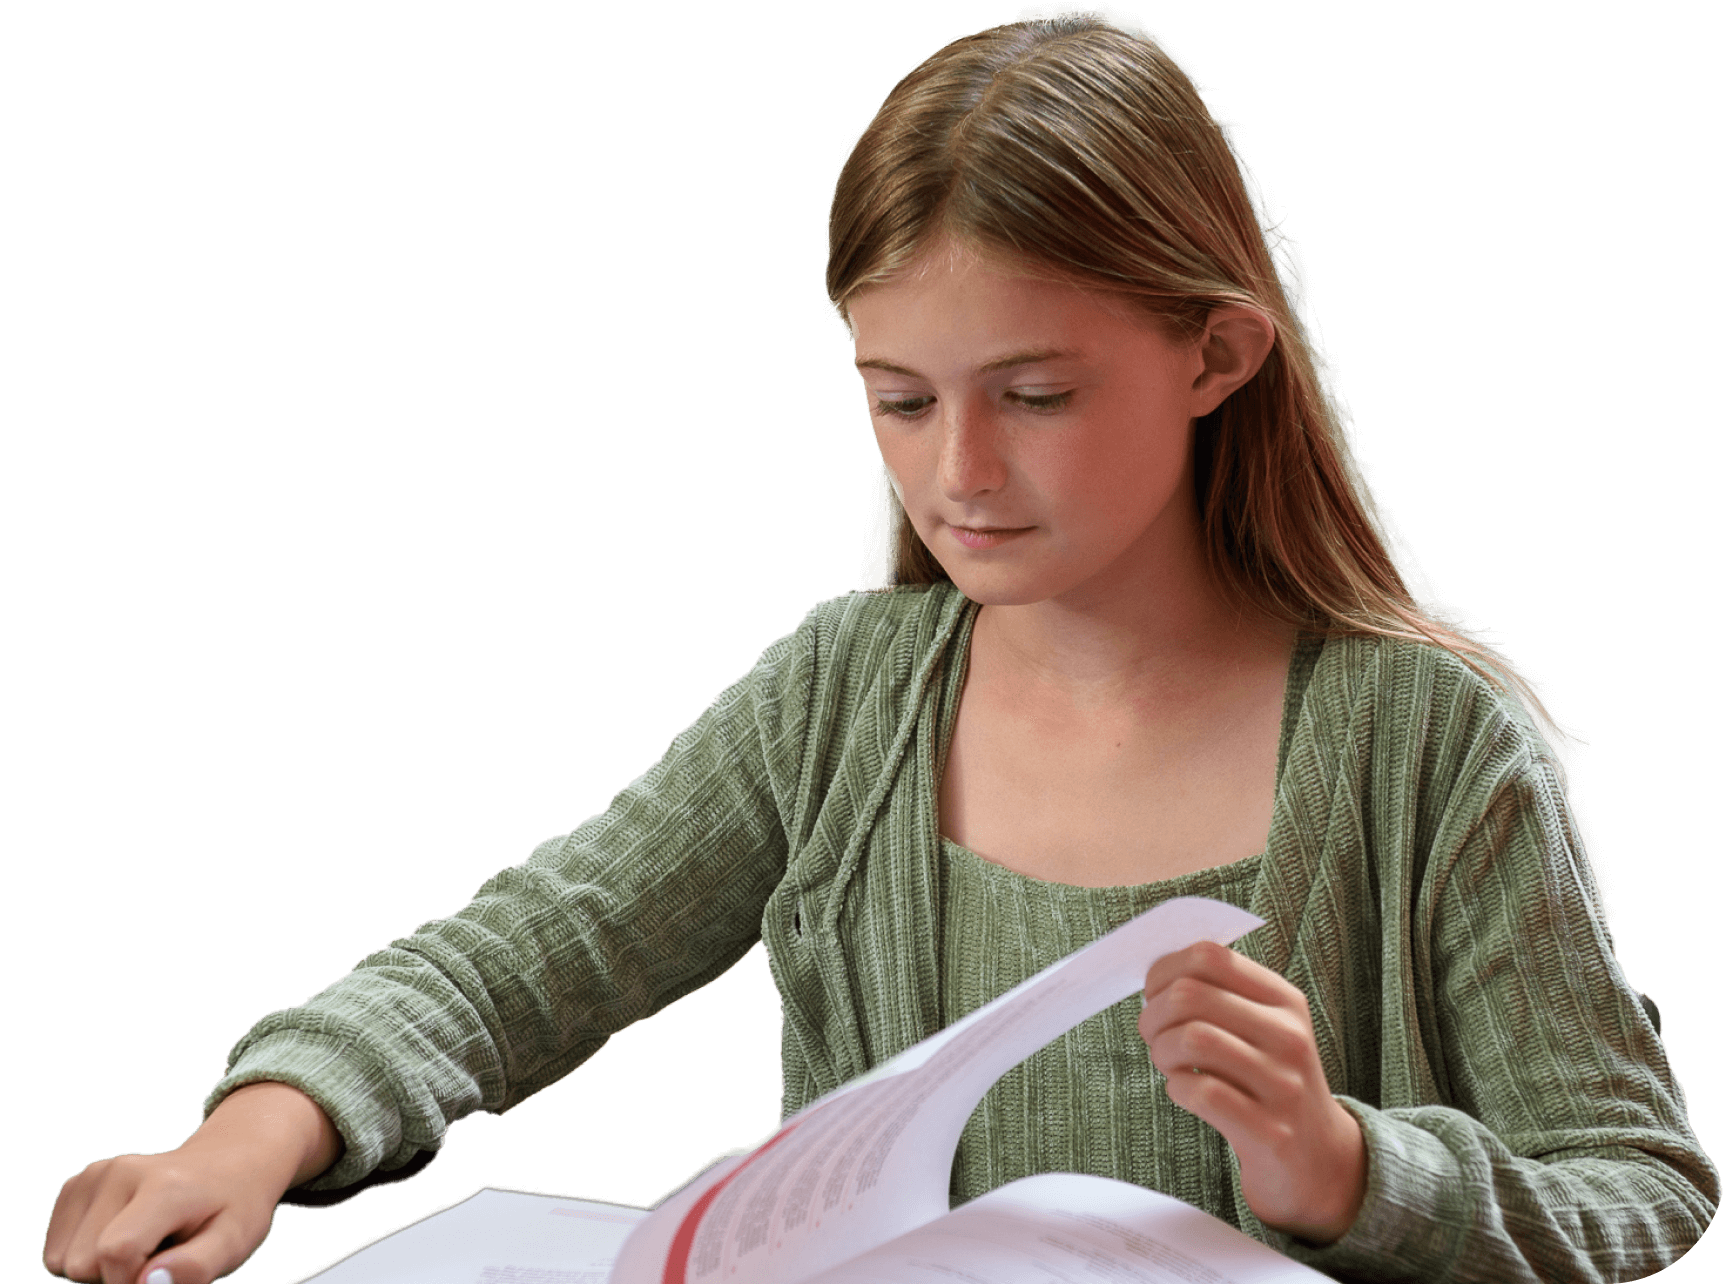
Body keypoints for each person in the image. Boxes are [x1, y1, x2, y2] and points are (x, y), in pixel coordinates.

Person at [44, 7, 1717, 1282]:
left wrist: (1351, 1172)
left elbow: (1635, 1183)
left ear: (1215, 356)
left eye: (1036, 397)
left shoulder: (1422, 741)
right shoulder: (844, 692)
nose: (957, 473)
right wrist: (254, 1135)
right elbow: (519, 962)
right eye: (898, 400)